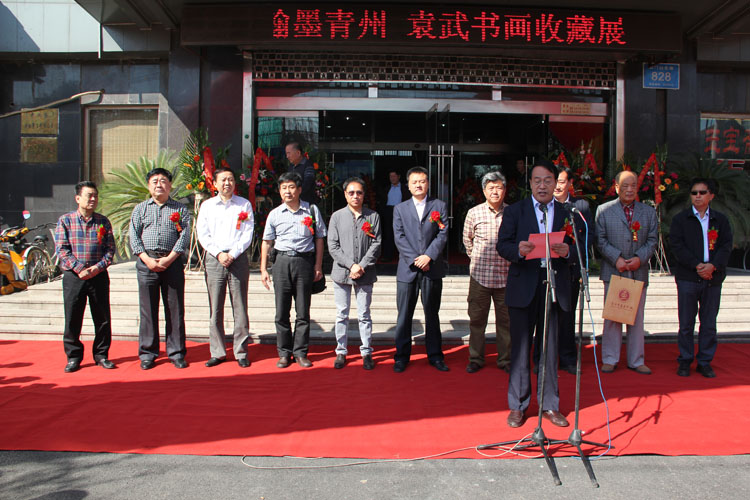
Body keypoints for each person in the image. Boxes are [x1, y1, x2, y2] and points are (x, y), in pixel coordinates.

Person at [496, 160, 575, 428]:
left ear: (556, 183)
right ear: (530, 183)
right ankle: (518, 405)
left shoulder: (566, 212)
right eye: (537, 181)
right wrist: (518, 250)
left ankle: (550, 404)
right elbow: (502, 245)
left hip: (553, 285)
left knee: (549, 348)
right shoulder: (515, 211)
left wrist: (568, 251)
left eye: (548, 180)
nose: (542, 186)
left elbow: (580, 246)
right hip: (523, 284)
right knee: (520, 349)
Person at [260, 172, 326, 368]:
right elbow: (266, 242)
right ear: (279, 191)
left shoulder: (311, 210)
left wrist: (318, 265)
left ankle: (301, 352)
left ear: (299, 189)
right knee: (281, 311)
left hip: (304, 262)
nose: (287, 191)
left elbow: (319, 239)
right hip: (281, 262)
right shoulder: (274, 214)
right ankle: (284, 352)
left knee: (303, 311)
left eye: (291, 187)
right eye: (283, 188)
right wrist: (263, 269)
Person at [595, 170, 658, 375]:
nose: (629, 190)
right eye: (625, 186)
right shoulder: (604, 210)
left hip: (638, 271)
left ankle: (636, 360)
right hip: (614, 270)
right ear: (616, 188)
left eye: (633, 185)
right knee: (613, 317)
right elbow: (600, 240)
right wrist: (617, 259)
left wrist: (639, 258)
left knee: (637, 319)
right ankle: (610, 358)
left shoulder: (648, 212)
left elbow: (652, 240)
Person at [533, 166, 594, 375]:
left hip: (569, 270)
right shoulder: (541, 206)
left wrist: (573, 255)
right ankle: (541, 359)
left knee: (566, 317)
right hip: (543, 270)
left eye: (561, 181)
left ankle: (567, 359)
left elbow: (587, 238)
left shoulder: (579, 207)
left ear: (569, 184)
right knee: (542, 317)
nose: (557, 186)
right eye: (554, 181)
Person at [670, 178, 732, 378]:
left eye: (702, 192)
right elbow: (677, 246)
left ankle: (705, 362)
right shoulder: (681, 219)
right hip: (688, 277)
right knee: (686, 323)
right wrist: (697, 265)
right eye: (694, 193)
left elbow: (726, 246)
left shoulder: (720, 220)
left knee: (709, 323)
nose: (697, 196)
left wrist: (713, 266)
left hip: (712, 278)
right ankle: (685, 360)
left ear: (711, 196)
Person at [129, 168, 191, 370]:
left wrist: (169, 259)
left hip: (172, 263)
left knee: (175, 309)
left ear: (170, 185)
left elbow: (184, 236)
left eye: (163, 181)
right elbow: (134, 237)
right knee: (148, 310)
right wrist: (147, 260)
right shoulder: (140, 209)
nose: (159, 184)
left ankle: (176, 352)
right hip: (147, 263)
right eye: (154, 181)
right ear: (148, 185)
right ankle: (148, 353)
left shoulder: (180, 209)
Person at [392, 166, 449, 373]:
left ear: (428, 183)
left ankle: (435, 356)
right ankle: (401, 356)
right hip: (407, 269)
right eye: (414, 182)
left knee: (432, 314)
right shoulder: (400, 209)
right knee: (404, 315)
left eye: (422, 181)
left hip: (431, 268)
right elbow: (399, 236)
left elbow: (442, 233)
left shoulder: (439, 206)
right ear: (408, 185)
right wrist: (415, 259)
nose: (418, 185)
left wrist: (428, 256)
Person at [197, 167, 255, 368]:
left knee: (240, 307)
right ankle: (218, 352)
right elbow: (203, 234)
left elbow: (247, 233)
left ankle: (241, 352)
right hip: (215, 259)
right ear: (214, 183)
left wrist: (233, 253)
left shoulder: (244, 204)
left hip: (237, 258)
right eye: (223, 180)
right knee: (215, 307)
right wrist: (219, 253)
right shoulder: (207, 206)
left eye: (230, 179)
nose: (227, 183)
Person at [55, 181, 116, 373]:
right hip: (74, 277)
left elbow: (110, 250)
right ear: (78, 198)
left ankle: (101, 355)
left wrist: (97, 268)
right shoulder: (66, 221)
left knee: (102, 318)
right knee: (73, 317)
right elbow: (62, 249)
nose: (93, 199)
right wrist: (80, 268)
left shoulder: (103, 221)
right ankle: (73, 357)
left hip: (98, 276)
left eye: (95, 196)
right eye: (89, 195)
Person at [327, 177, 382, 370]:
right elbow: (332, 246)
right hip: (342, 273)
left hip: (365, 273)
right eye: (351, 192)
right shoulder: (336, 217)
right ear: (345, 195)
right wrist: (351, 265)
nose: (355, 196)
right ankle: (341, 351)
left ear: (364, 195)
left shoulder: (372, 216)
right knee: (342, 314)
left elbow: (376, 243)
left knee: (364, 314)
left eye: (359, 192)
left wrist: (362, 265)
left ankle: (366, 352)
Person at [462, 171, 512, 374]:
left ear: (505, 190)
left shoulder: (512, 213)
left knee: (506, 322)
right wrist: (477, 258)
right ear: (484, 191)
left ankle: (505, 360)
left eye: (499, 187)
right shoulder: (474, 213)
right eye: (491, 188)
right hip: (480, 277)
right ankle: (476, 358)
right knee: (476, 320)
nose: (495, 192)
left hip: (506, 276)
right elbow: (467, 240)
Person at [380, 170, 409, 261]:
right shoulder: (387, 188)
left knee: (402, 234)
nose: (392, 178)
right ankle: (388, 256)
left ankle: (405, 256)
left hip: (401, 212)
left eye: (394, 176)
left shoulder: (405, 188)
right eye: (390, 176)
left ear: (399, 177)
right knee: (388, 234)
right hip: (389, 212)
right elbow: (382, 201)